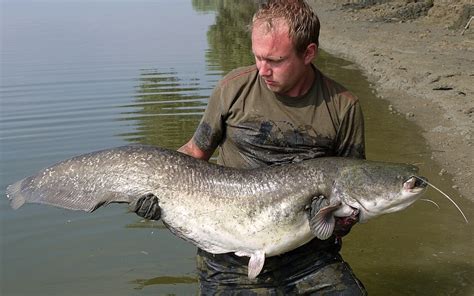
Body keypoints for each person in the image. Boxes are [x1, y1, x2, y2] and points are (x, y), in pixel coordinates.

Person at [134, 0, 367, 294]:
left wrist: (338, 219)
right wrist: (154, 189)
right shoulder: (233, 90)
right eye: (257, 57)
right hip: (227, 253)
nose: (263, 70)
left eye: (275, 60)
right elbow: (194, 153)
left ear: (309, 53)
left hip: (309, 254)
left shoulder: (343, 107)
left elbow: (354, 186)